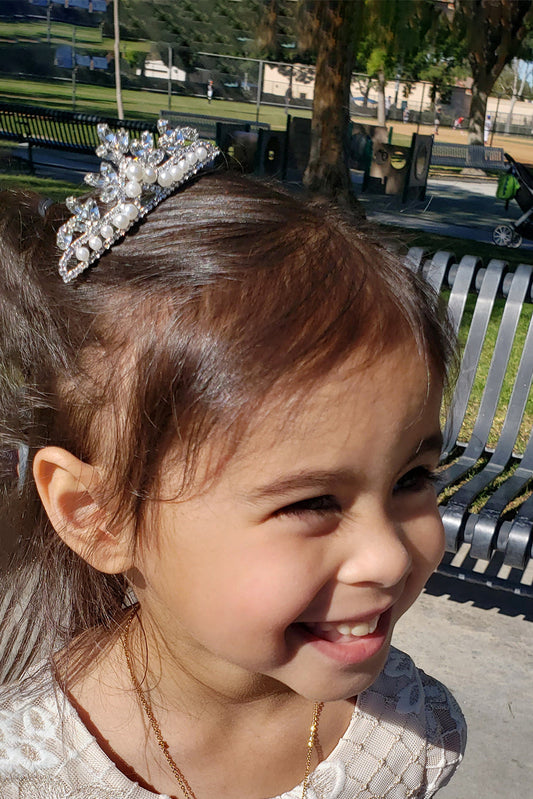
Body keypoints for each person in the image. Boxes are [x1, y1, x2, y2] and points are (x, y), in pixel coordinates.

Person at [0, 121, 465, 799]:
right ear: (96, 514)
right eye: (312, 502)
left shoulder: (407, 732)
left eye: (411, 479)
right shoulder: (28, 767)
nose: (389, 557)